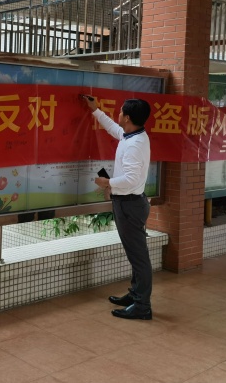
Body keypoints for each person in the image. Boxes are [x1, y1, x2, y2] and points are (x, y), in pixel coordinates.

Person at [82, 94, 153, 320]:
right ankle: (135, 295)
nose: (118, 114)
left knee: (139, 257)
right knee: (136, 255)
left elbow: (131, 179)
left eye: (121, 112)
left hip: (130, 205)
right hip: (129, 203)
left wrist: (108, 183)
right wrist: (95, 110)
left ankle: (142, 306)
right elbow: (114, 129)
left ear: (128, 117)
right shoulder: (132, 135)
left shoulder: (135, 145)